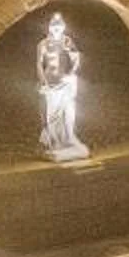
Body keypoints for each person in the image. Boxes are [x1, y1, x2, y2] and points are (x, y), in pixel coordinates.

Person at [35, 10, 88, 160]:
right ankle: (54, 142)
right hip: (50, 84)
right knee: (51, 115)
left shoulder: (67, 41)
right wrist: (43, 82)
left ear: (64, 26)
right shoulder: (43, 44)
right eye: (53, 24)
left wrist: (71, 73)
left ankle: (69, 138)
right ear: (49, 27)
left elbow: (76, 58)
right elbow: (39, 64)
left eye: (59, 24)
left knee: (69, 111)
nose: (56, 27)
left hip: (65, 84)